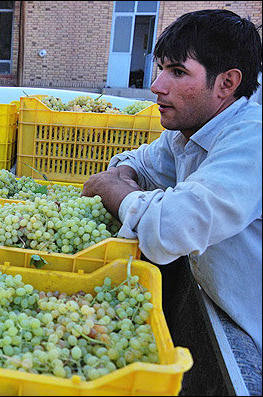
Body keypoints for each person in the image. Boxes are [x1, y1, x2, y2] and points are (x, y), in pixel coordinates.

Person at [82, 9, 261, 393]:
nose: (156, 85)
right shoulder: (190, 129)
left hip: (252, 345)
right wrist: (124, 181)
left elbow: (170, 228)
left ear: (227, 83)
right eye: (160, 68)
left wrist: (115, 191)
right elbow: (134, 164)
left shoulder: (252, 140)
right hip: (221, 310)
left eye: (178, 72)